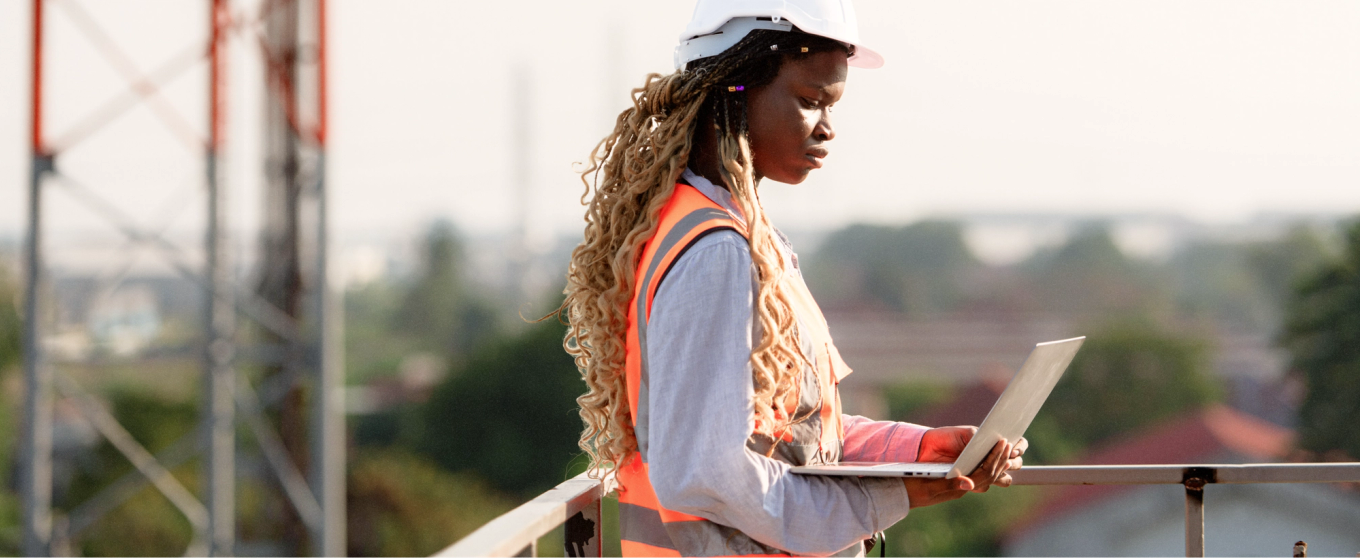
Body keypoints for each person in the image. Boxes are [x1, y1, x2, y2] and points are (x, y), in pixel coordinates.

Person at [556, 1, 1027, 556]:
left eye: (832, 106)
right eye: (809, 102)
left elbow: (791, 436)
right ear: (733, 90)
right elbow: (707, 470)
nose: (827, 129)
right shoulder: (717, 251)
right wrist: (885, 498)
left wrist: (917, 450)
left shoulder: (727, 233)